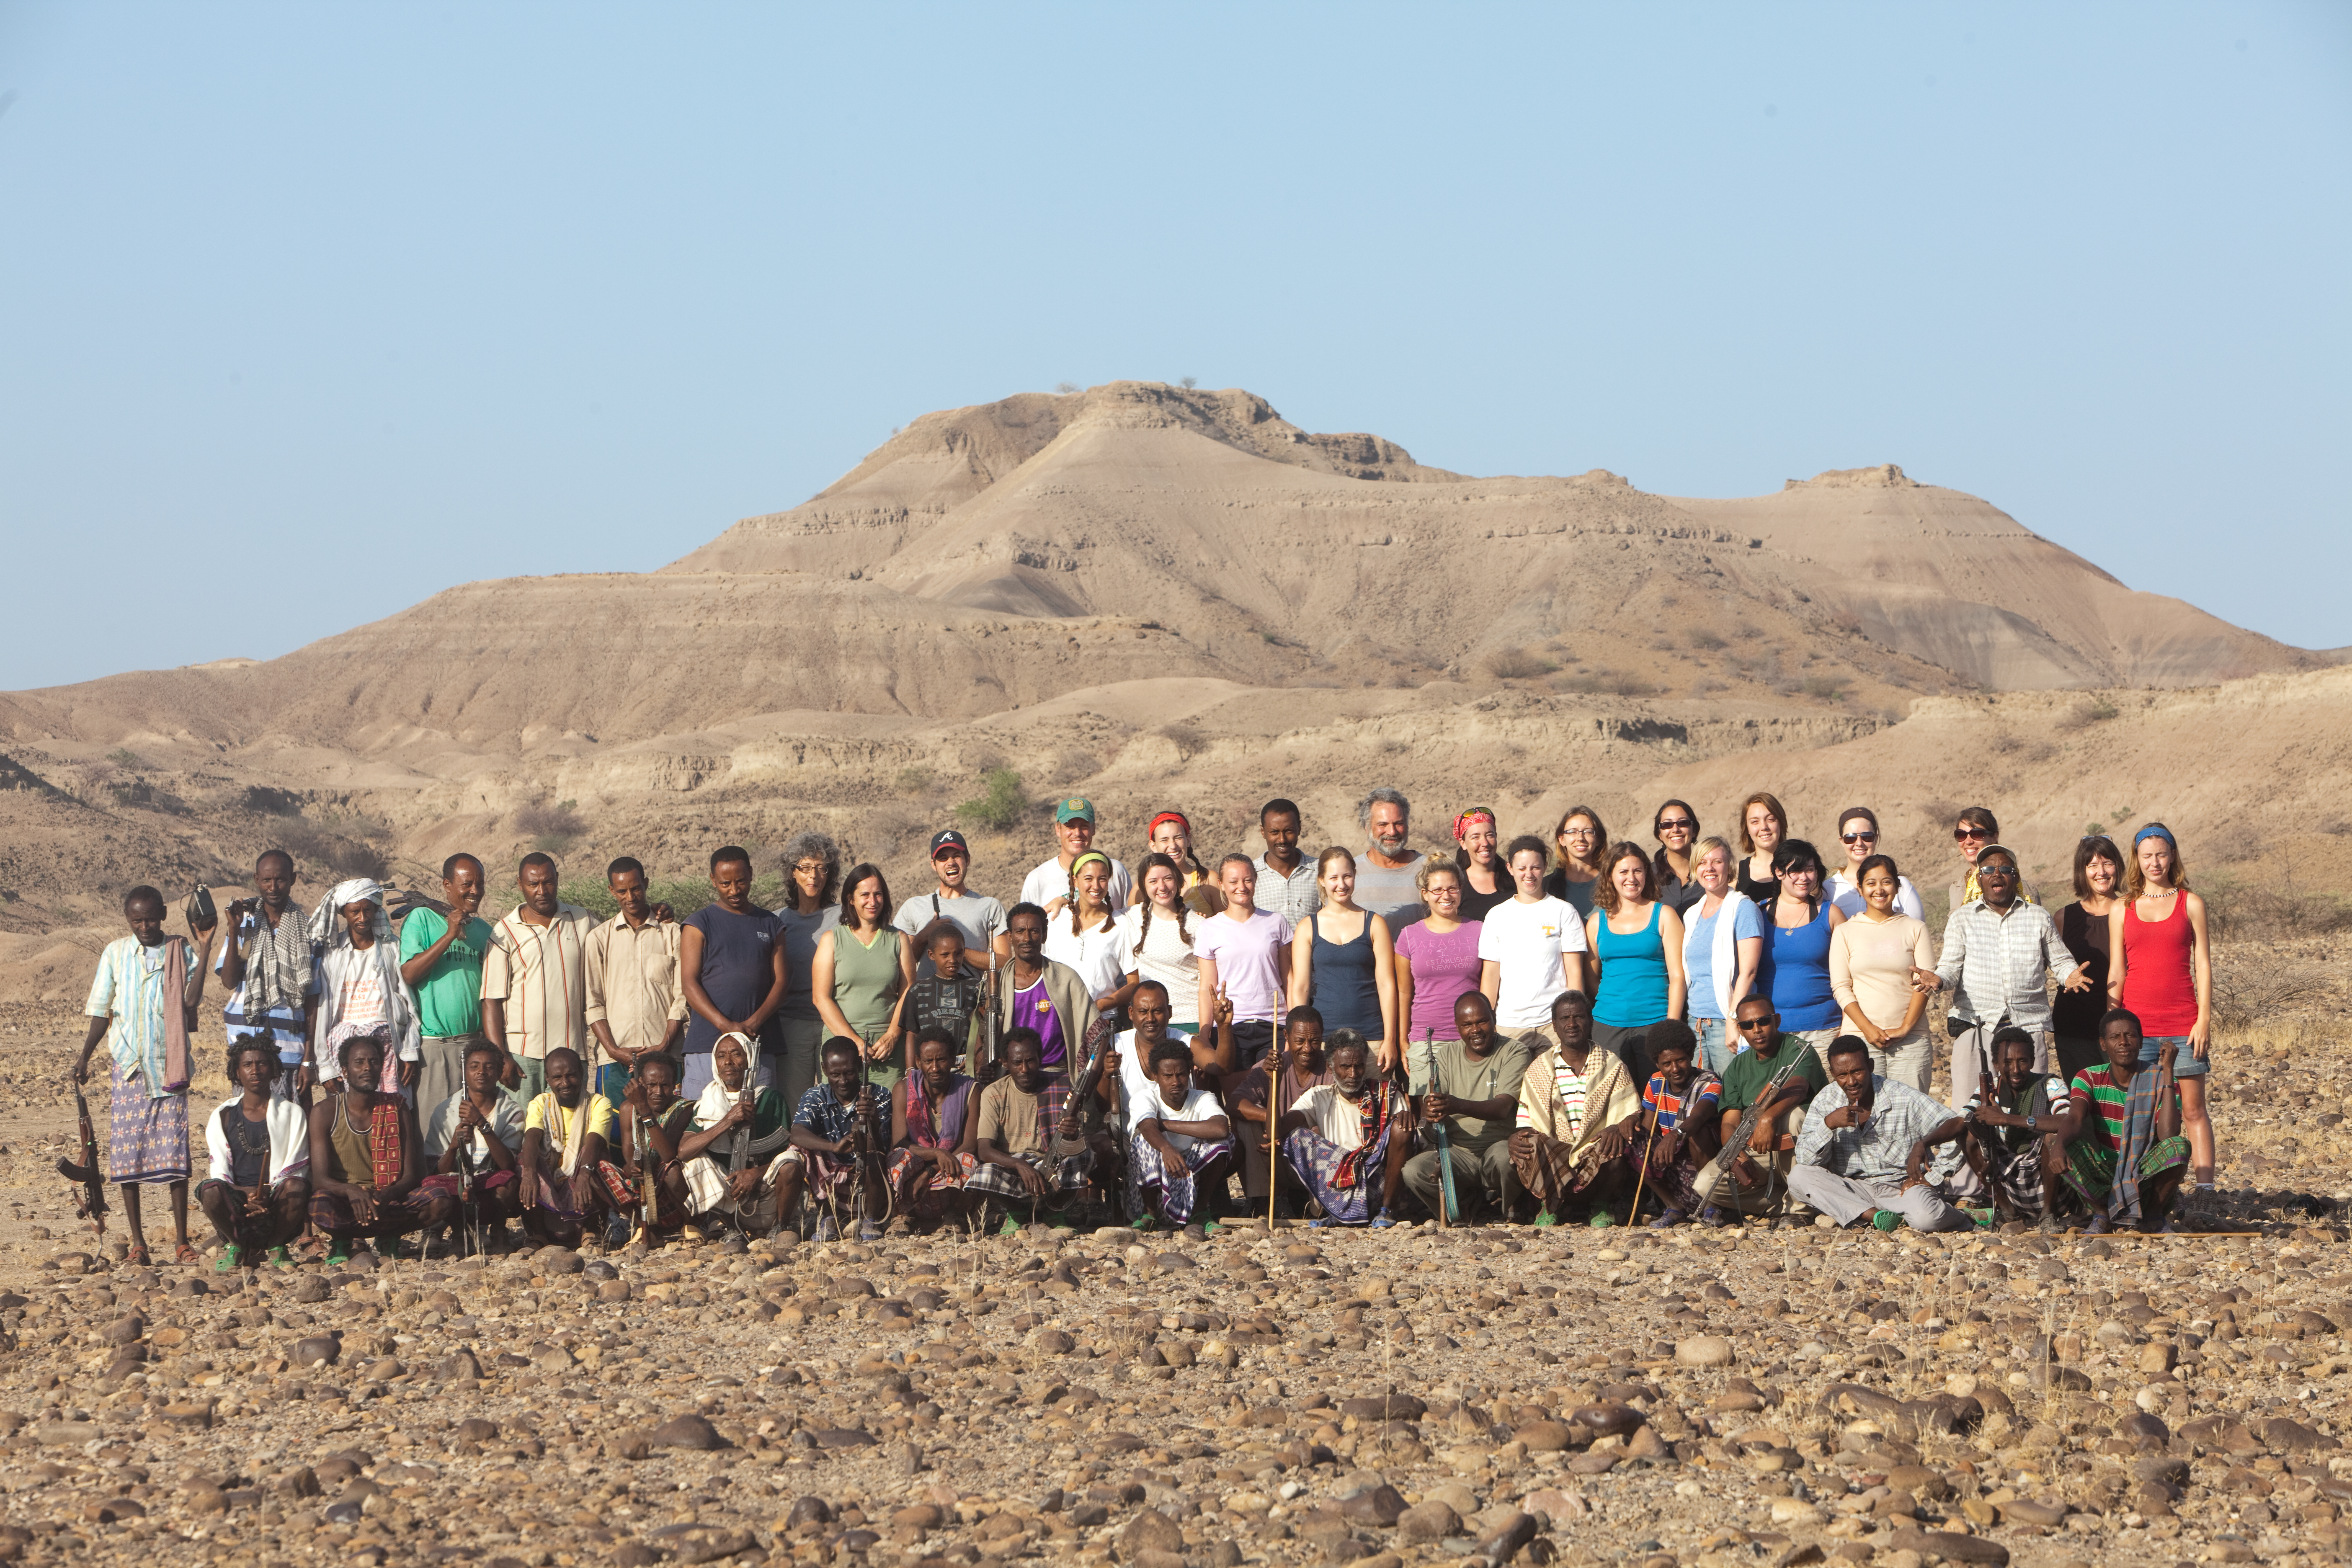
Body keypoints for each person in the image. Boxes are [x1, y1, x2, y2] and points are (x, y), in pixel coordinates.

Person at [75, 884, 218, 1266]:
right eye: (137, 919)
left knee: (175, 1159)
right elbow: (101, 1011)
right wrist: (84, 1056)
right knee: (127, 1160)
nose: (145, 926)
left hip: (169, 1067)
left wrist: (204, 948)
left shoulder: (179, 950)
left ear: (164, 915)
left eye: (151, 918)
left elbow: (190, 1001)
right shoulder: (116, 953)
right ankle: (139, 1245)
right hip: (130, 1069)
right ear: (128, 919)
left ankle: (182, 1242)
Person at [1914, 842, 2087, 1112]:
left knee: (2033, 1110)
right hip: (1976, 1024)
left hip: (2028, 1026)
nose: (1997, 874)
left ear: (2015, 877)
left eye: (2005, 869)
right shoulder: (1962, 919)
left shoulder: (2038, 917)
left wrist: (2070, 976)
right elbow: (1949, 968)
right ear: (1979, 878)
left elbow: (2061, 961)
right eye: (1988, 869)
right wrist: (1938, 980)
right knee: (1971, 1113)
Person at [2107, 823, 2215, 1216]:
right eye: (2147, 855)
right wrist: (2111, 1019)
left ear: (2173, 855)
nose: (2155, 862)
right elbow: (2118, 967)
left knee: (2192, 1110)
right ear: (2137, 858)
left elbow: (2202, 964)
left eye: (2162, 854)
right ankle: (2153, 1191)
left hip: (2183, 1024)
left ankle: (2205, 1192)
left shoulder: (2191, 903)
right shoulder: (2123, 907)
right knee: (2144, 1112)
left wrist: (2203, 1019)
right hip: (2136, 1030)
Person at [1787, 1035, 1971, 1233]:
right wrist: (1828, 1125)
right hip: (1853, 1190)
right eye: (1842, 1075)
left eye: (1857, 1072)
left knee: (1927, 1220)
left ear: (1871, 1066)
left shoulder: (1902, 1097)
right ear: (1832, 1073)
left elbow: (1959, 1127)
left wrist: (1933, 1177)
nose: (1851, 1082)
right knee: (1798, 1176)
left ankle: (1964, 1216)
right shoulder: (1826, 1100)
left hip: (1903, 1188)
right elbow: (1806, 1160)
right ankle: (1875, 1217)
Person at [307, 1024, 454, 1264]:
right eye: (359, 1063)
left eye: (374, 1062)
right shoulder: (325, 1111)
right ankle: (344, 1239)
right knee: (319, 1205)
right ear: (344, 1070)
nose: (368, 1068)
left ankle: (390, 1235)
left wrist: (388, 1194)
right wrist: (351, 1191)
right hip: (347, 1201)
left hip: (388, 1198)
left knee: (440, 1199)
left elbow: (412, 1174)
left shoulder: (397, 1107)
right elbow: (320, 1178)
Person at [1509, 990, 1641, 1226]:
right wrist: (1516, 1138)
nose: (1572, 1024)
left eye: (1579, 1017)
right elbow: (1526, 1122)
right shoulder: (1539, 1069)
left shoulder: (1612, 1065)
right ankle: (1549, 1206)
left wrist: (1616, 1129)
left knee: (1617, 1144)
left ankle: (1601, 1205)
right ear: (1555, 1025)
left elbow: (1630, 1113)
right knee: (1528, 1143)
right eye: (1564, 1019)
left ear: (1590, 1021)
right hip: (1555, 1156)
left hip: (1595, 1156)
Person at [1402, 993, 1533, 1224]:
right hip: (1457, 1152)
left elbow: (1503, 1108)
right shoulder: (1446, 1056)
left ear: (1494, 1018)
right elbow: (1427, 1108)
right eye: (1467, 1025)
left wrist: (1455, 1105)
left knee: (1507, 1158)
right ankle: (1462, 1205)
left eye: (1482, 1021)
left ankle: (1510, 1208)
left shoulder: (1515, 1052)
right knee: (1413, 1172)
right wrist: (1430, 1114)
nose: (1476, 1030)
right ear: (1457, 1026)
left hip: (1499, 1145)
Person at [2058, 1007, 2190, 1234]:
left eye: (2130, 1036)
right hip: (2105, 1174)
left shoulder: (2160, 1078)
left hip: (2144, 1174)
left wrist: (2168, 1071)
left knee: (2180, 1146)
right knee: (2057, 1144)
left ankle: (2153, 1215)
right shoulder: (2089, 1077)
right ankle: (2102, 1215)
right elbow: (2075, 1119)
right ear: (2103, 1044)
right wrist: (2059, 1144)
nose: (2123, 1042)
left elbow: (2168, 1135)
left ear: (2140, 1042)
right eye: (2115, 1037)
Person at [480, 854, 596, 1103]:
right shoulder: (505, 931)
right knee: (522, 1132)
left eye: (549, 882)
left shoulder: (584, 921)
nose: (542, 891)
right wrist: (502, 1057)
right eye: (533, 885)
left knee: (571, 1131)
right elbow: (491, 1000)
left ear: (558, 880)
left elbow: (617, 940)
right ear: (520, 884)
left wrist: (654, 913)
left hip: (572, 1053)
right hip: (523, 1056)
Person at [679, 846, 787, 1100]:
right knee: (702, 1120)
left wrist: (753, 1023)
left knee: (760, 1122)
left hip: (759, 1042)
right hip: (707, 1044)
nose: (734, 890)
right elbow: (689, 983)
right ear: (713, 880)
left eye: (741, 881)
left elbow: (782, 982)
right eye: (726, 883)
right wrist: (725, 1026)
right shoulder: (698, 923)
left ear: (751, 874)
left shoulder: (771, 924)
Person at [1712, 998, 1830, 1227]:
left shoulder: (1798, 1049)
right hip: (1757, 1148)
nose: (1756, 1030)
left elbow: (1797, 1088)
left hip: (1798, 1147)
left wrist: (1768, 1118)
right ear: (1740, 1030)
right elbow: (1729, 1121)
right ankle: (1789, 1202)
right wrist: (1737, 1155)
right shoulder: (1737, 1066)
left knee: (1794, 1116)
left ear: (1776, 1020)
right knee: (1707, 1185)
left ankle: (1800, 1211)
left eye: (1763, 1021)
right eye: (1748, 1025)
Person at [968, 1026, 1099, 1231]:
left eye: (1030, 1061)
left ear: (1040, 1059)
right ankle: (1017, 1214)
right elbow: (985, 1150)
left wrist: (1072, 1132)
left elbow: (1073, 1140)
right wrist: (1019, 1165)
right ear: (1005, 1063)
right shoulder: (993, 1093)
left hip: (1051, 1163)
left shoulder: (1062, 1085)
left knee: (1084, 1157)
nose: (1025, 1069)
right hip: (1012, 1167)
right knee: (982, 1175)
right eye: (1017, 1063)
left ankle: (1055, 1212)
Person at [197, 1036, 309, 1270]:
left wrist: (267, 1191)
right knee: (209, 1192)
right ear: (237, 1072)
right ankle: (237, 1245)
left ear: (274, 1070)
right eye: (247, 1065)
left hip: (277, 1200)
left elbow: (297, 1167)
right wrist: (246, 1193)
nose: (255, 1070)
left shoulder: (292, 1113)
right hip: (237, 1199)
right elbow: (219, 1171)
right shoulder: (223, 1115)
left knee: (297, 1187)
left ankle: (278, 1245)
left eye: (262, 1064)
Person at [216, 849, 319, 1105]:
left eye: (281, 880)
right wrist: (232, 927)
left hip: (290, 1050)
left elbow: (313, 1000)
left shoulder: (309, 932)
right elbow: (229, 981)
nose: (274, 887)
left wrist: (309, 1058)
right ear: (256, 880)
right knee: (250, 1128)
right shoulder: (244, 927)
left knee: (290, 1130)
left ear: (293, 879)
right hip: (247, 1049)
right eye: (267, 880)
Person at [584, 856, 687, 1109]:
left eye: (636, 888)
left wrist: (664, 1044)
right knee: (618, 1137)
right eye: (622, 891)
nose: (630, 897)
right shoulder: (599, 939)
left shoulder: (673, 933)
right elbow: (593, 1002)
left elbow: (681, 996)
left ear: (646, 884)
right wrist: (612, 1049)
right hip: (616, 1061)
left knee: (667, 1132)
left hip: (666, 1059)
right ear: (612, 891)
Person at [1279, 1034, 1413, 1228]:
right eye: (1345, 1067)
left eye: (1358, 1066)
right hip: (1338, 1187)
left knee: (1402, 1128)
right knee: (1294, 1136)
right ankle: (1339, 1210)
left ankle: (1387, 1212)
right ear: (1330, 1067)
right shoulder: (1318, 1097)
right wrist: (1271, 1082)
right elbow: (1278, 1130)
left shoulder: (1388, 1093)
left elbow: (1404, 1139)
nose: (1353, 1074)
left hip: (1379, 1185)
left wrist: (1399, 1121)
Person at [1828, 853, 1934, 1091]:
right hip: (1859, 1040)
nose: (1879, 890)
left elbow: (1924, 983)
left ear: (1897, 886)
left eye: (1886, 882)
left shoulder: (1915, 928)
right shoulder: (1845, 932)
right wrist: (1868, 1029)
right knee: (1866, 1114)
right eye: (1871, 883)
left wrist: (1905, 1028)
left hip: (1911, 1040)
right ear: (1860, 887)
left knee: (1912, 1115)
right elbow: (1841, 987)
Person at [396, 854, 491, 1117]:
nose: (475, 891)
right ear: (447, 885)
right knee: (434, 1137)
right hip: (435, 1048)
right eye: (467, 884)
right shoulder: (422, 919)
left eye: (480, 884)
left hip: (475, 1048)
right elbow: (409, 974)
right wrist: (450, 935)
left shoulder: (484, 931)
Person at [1288, 847, 1399, 1069]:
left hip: (1372, 1037)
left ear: (1355, 875)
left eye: (1347, 876)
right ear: (1321, 880)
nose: (1342, 884)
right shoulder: (1307, 927)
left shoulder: (1375, 923)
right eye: (1334, 878)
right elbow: (1300, 987)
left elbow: (1387, 984)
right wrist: (1299, 1040)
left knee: (1374, 1104)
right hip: (1322, 1041)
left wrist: (1390, 1039)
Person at [1585, 842, 1687, 1078]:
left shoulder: (1664, 915)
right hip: (1607, 1025)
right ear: (1610, 876)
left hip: (1655, 1023)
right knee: (1611, 1100)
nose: (1631, 878)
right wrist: (1615, 1004)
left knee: (1655, 1099)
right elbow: (1591, 977)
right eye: (1623, 871)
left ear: (1646, 874)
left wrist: (1670, 1027)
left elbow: (1678, 977)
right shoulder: (1596, 922)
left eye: (1638, 871)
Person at [312, 877, 421, 1098]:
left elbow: (409, 1003)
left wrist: (409, 1051)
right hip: (344, 1049)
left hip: (388, 1046)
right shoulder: (331, 954)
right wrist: (325, 1067)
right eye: (355, 912)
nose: (363, 918)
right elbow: (324, 1010)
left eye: (368, 910)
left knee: (392, 1112)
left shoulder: (392, 948)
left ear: (376, 909)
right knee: (351, 1114)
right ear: (344, 913)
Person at [679, 1031, 795, 1238]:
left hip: (765, 1193)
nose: (728, 1062)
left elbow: (789, 1150)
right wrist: (728, 1121)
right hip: (727, 1197)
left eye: (736, 1054)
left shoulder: (771, 1098)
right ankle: (731, 1229)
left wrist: (756, 1173)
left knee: (792, 1162)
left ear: (749, 1059)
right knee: (694, 1162)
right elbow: (684, 1152)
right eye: (721, 1056)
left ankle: (782, 1226)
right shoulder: (707, 1102)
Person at [812, 861, 916, 1093]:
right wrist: (855, 1043)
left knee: (889, 1120)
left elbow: (908, 992)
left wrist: (892, 1036)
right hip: (841, 1051)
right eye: (865, 895)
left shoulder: (898, 939)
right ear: (850, 899)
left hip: (887, 1050)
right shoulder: (831, 940)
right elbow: (821, 998)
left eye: (878, 894)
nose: (873, 901)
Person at [1958, 1026, 2074, 1231]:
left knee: (2052, 1137)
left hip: (2054, 1189)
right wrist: (1925, 1143)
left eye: (2022, 1061)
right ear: (1995, 1064)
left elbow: (2067, 1120)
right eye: (2007, 1063)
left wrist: (2007, 1119)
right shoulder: (1990, 1088)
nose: (2015, 1070)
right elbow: (1961, 1119)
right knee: (1968, 1137)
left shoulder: (2051, 1084)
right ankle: (2007, 1211)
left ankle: (2048, 1215)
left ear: (2032, 1060)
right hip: (2012, 1187)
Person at [1480, 835, 1590, 1033]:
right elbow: (1490, 976)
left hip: (1555, 1025)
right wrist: (1488, 1023)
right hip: (1509, 1025)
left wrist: (1574, 1020)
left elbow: (1574, 972)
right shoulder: (1496, 915)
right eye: (1522, 868)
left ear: (1545, 867)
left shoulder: (1564, 911)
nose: (1528, 875)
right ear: (1510, 869)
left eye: (1535, 868)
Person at [424, 1037, 527, 1249]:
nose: (482, 1072)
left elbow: (508, 1164)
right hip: (457, 1188)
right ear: (465, 1073)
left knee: (508, 1182)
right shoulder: (445, 1111)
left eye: (490, 1067)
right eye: (474, 1067)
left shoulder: (512, 1111)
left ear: (499, 1074)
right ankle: (452, 1230)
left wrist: (481, 1123)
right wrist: (454, 1147)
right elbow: (438, 1170)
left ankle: (498, 1229)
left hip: (489, 1187)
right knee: (433, 1186)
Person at [1229, 1007, 1332, 1215]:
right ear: (1286, 1036)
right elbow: (1233, 1104)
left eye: (1314, 1041)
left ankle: (1313, 1202)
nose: (1308, 1049)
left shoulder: (1332, 1068)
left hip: (1316, 1156)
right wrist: (1272, 1120)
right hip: (1274, 1154)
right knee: (1246, 1123)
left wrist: (1288, 1137)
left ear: (1323, 1036)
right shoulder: (1269, 1068)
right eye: (1300, 1041)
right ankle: (1263, 1202)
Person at [1127, 1039, 1235, 1233]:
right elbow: (1147, 1127)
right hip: (1156, 1190)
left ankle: (1201, 1212)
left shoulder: (1202, 1097)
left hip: (1192, 1185)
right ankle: (1149, 1215)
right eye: (1168, 1076)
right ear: (1155, 1076)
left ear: (1190, 1073)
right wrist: (1166, 1149)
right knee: (1143, 1141)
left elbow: (1221, 1128)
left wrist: (1165, 1124)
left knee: (1223, 1142)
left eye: (1181, 1074)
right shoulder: (1144, 1098)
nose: (1176, 1082)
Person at [1195, 854, 1291, 1072]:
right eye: (1233, 881)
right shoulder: (1209, 928)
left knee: (1272, 1095)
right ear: (1221, 884)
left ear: (1256, 881)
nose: (1242, 887)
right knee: (1238, 1097)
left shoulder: (1276, 922)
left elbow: (1289, 978)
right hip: (1230, 1027)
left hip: (1273, 1025)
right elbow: (1207, 987)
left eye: (1247, 880)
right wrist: (1205, 1034)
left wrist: (1292, 1025)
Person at [1624, 1022, 1722, 1229]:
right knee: (1635, 1139)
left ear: (1690, 1056)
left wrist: (1675, 1135)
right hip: (1675, 1169)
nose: (1675, 1069)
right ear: (1657, 1064)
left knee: (1696, 1132)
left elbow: (1698, 1118)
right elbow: (1648, 1130)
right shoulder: (1656, 1082)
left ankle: (1712, 1207)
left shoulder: (1709, 1081)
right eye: (1667, 1064)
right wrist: (1632, 1122)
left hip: (1705, 1169)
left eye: (1681, 1061)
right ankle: (1674, 1207)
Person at [1681, 837, 1763, 1076]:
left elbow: (1749, 972)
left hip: (1725, 1020)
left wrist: (1733, 1020)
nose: (1710, 868)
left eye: (1717, 862)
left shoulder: (1743, 908)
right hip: (1696, 1022)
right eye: (1703, 862)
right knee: (1703, 1099)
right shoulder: (1692, 914)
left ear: (1730, 867)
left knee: (1732, 1097)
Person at [881, 1028, 978, 1228]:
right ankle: (902, 1215)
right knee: (898, 1157)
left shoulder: (970, 1089)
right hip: (916, 1170)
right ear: (918, 1062)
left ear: (953, 1060)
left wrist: (929, 1170)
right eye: (928, 1062)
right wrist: (937, 1153)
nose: (935, 1068)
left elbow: (969, 1145)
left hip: (947, 1172)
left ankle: (954, 1216)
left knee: (969, 1162)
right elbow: (901, 1142)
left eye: (942, 1060)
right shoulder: (904, 1088)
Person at [1111, 980, 1235, 1134]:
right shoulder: (1116, 1045)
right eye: (1143, 1012)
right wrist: (1106, 1074)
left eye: (1157, 1011)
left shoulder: (1183, 1041)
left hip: (1185, 1135)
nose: (1150, 1019)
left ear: (1169, 1012)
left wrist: (1224, 1026)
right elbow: (1102, 1106)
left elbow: (1222, 1067)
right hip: (1134, 1140)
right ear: (1131, 1013)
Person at [774, 832, 842, 1110]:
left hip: (834, 1022)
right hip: (791, 1025)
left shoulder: (844, 917)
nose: (813, 875)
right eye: (805, 868)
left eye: (821, 868)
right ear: (793, 873)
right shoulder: (778, 920)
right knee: (795, 1105)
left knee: (835, 1101)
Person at [1758, 840, 1846, 1055]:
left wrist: (1848, 1025)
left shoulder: (1831, 914)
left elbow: (1852, 972)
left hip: (1825, 1030)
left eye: (1810, 870)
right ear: (1779, 873)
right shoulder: (1757, 914)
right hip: (1773, 1033)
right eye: (1796, 871)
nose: (1804, 878)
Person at [993, 903, 1100, 1079]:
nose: (1027, 938)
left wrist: (1086, 1084)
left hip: (1057, 1074)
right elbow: (983, 1038)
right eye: (1020, 932)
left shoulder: (1066, 979)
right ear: (1010, 937)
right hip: (1013, 1079)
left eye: (1034, 931)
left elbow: (1097, 1033)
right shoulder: (996, 984)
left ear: (1044, 936)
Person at [1394, 860, 1493, 1047]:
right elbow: (1404, 993)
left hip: (1474, 1038)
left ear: (1461, 890)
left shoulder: (1480, 930)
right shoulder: (1408, 936)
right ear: (1425, 894)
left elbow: (1491, 983)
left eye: (1452, 889)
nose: (1446, 896)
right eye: (1437, 890)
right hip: (1427, 1040)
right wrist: (1402, 1040)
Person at [605, 1051, 700, 1245]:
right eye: (651, 1085)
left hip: (674, 1197)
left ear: (675, 1085)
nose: (658, 1092)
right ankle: (645, 1227)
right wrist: (634, 1168)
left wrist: (645, 1111)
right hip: (643, 1195)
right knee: (600, 1171)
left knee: (671, 1169)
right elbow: (629, 1157)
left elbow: (667, 1154)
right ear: (640, 1084)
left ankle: (692, 1225)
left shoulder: (685, 1109)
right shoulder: (626, 1109)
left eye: (665, 1085)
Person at [2052, 835, 2125, 1084]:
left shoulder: (2134, 910)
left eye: (2108, 863)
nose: (2101, 872)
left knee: (2122, 1104)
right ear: (2082, 872)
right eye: (2092, 865)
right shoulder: (2064, 917)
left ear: (2118, 866)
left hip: (2123, 1027)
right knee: (2083, 1103)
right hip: (2075, 1027)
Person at [894, 829, 1010, 975]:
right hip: (926, 998)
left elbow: (1004, 962)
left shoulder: (990, 906)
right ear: (933, 865)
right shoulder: (913, 907)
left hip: (972, 997)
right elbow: (898, 966)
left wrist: (956, 951)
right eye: (943, 858)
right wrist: (923, 937)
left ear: (967, 859)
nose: (951, 863)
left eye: (956, 856)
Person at [1044, 851, 1134, 1028]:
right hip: (1057, 1022)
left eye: (1102, 879)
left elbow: (1133, 984)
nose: (1096, 886)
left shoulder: (1121, 924)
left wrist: (1100, 1005)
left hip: (1102, 1022)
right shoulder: (1056, 919)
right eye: (1088, 879)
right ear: (1074, 880)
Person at [1119, 853, 1202, 1030]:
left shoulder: (1199, 924)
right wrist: (1062, 901)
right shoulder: (1130, 917)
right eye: (1153, 881)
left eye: (1168, 879)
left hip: (1190, 1021)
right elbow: (1096, 915)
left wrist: (1206, 1030)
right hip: (1150, 1024)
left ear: (1178, 880)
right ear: (1143, 886)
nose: (1162, 887)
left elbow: (1208, 982)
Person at [901, 924, 988, 1074]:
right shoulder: (919, 990)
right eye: (945, 955)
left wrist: (977, 1058)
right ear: (931, 955)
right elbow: (912, 1033)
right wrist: (911, 1070)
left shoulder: (975, 987)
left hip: (964, 1065)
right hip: (928, 1066)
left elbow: (982, 1029)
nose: (952, 960)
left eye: (958, 954)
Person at [1021, 797, 1134, 913]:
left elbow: (1130, 919)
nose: (1077, 833)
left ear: (1093, 829)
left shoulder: (1115, 870)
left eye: (1084, 826)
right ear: (1058, 830)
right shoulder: (1037, 880)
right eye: (1070, 826)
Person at [1823, 807, 1924, 920]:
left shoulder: (1901, 886)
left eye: (1867, 837)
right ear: (1842, 841)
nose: (1859, 843)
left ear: (1876, 839)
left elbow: (1917, 931)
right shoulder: (1828, 889)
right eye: (1851, 838)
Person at [1352, 787, 1429, 929]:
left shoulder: (1429, 869)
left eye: (1398, 824)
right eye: (1383, 825)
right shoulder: (1350, 873)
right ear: (1367, 827)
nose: (1392, 832)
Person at [1947, 805, 2037, 908]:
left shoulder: (2022, 889)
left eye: (1977, 834)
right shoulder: (1956, 888)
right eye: (1961, 835)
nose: (1968, 841)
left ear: (1994, 837)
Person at [1253, 798, 1321, 927]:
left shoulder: (1320, 872)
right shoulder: (1250, 876)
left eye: (1289, 831)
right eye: (1275, 832)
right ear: (1263, 832)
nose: (1282, 839)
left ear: (1299, 828)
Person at [1139, 811, 1218, 914]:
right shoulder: (1144, 886)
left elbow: (1227, 924)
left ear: (1188, 840)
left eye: (1178, 838)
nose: (1173, 846)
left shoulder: (1208, 880)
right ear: (1153, 846)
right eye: (1165, 840)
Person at [1543, 806, 1609, 918]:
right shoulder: (1547, 886)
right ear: (1562, 839)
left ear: (1598, 839)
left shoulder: (1612, 882)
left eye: (1588, 832)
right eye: (1573, 832)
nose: (1580, 838)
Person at [1452, 807, 1514, 922]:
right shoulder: (1456, 886)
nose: (1485, 843)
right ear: (1463, 843)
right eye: (1476, 837)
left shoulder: (1515, 879)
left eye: (1490, 835)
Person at [1649, 801, 1705, 915]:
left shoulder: (1710, 872)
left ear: (1694, 830)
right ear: (1660, 835)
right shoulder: (1647, 876)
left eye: (1683, 823)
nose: (1676, 829)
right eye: (1667, 825)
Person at [1735, 793, 1788, 904]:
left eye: (1771, 819)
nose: (1764, 827)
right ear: (1747, 829)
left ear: (1781, 823)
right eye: (1755, 822)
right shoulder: (1736, 873)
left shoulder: (1800, 866)